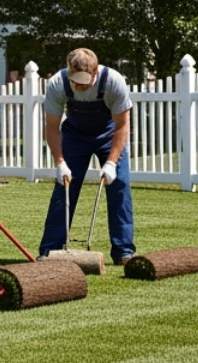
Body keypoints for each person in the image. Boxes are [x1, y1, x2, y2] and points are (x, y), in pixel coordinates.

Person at [38, 48, 135, 264]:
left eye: (84, 82)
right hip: (74, 135)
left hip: (109, 134)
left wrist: (111, 163)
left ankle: (123, 251)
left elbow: (122, 126)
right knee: (64, 187)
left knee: (119, 186)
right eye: (75, 82)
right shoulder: (56, 83)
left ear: (95, 72)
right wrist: (60, 162)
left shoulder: (113, 81)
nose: (79, 87)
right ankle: (50, 251)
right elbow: (52, 128)